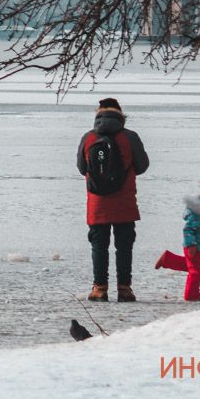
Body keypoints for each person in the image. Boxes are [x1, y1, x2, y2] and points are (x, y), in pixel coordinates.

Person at [76, 98, 149, 302]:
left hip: (97, 203)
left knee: (99, 246)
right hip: (124, 201)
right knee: (124, 246)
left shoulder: (89, 138)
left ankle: (100, 288)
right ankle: (124, 289)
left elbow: (82, 168)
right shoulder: (130, 137)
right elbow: (142, 166)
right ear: (121, 115)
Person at [155, 184, 200, 302]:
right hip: (194, 247)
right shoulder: (199, 214)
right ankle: (191, 294)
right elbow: (188, 229)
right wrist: (191, 244)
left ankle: (168, 259)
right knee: (197, 271)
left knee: (192, 267)